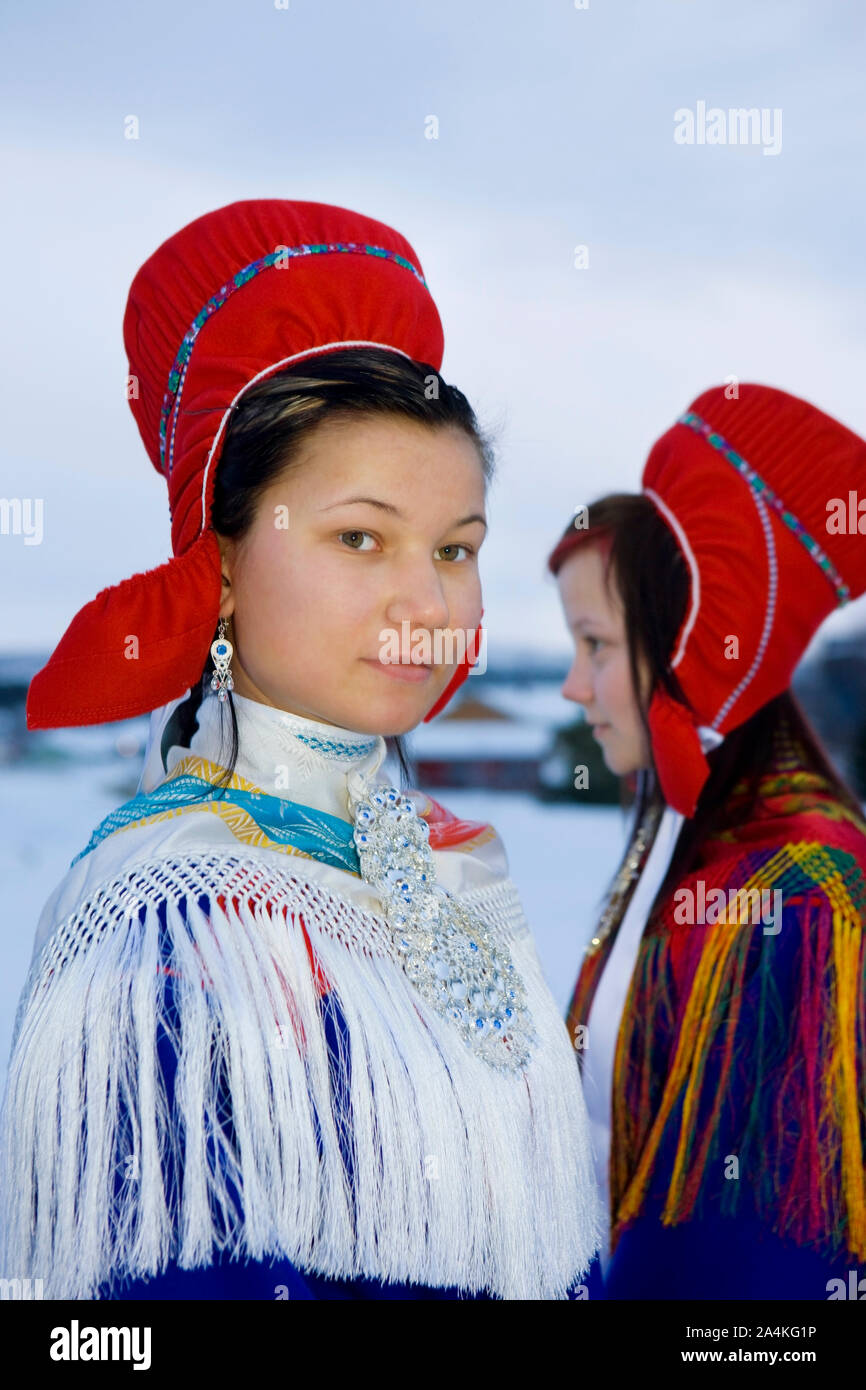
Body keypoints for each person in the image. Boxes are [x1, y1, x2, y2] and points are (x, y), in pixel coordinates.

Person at [0, 199, 601, 1300]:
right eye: (358, 536)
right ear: (223, 562)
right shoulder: (169, 924)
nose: (425, 599)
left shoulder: (450, 863)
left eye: (454, 549)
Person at [547, 383, 866, 1299]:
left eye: (596, 644)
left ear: (697, 645)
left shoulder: (797, 891)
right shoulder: (685, 829)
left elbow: (751, 1268)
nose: (573, 685)